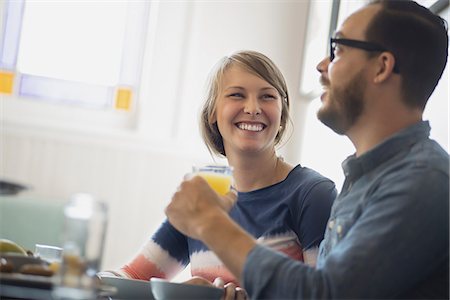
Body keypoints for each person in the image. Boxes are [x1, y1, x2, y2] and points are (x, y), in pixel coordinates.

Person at [165, 1, 449, 299]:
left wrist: (210, 222)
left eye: (337, 50)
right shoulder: (365, 179)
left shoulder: (424, 181)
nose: (321, 65)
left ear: (381, 67)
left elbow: (326, 295)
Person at [100, 51, 336, 288]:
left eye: (267, 96)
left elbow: (322, 294)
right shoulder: (203, 194)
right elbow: (131, 278)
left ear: (283, 113)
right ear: (212, 112)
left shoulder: (313, 193)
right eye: (236, 95)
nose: (253, 108)